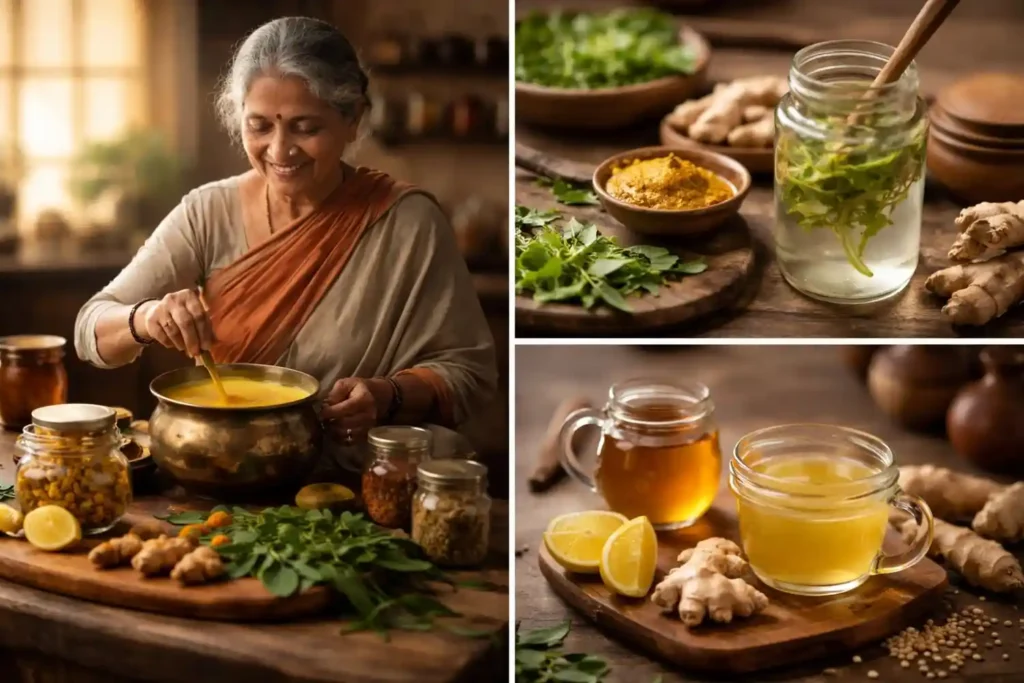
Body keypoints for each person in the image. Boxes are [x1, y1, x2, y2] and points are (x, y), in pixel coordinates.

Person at [74, 16, 497, 445]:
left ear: (353, 119)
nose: (279, 151)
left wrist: (388, 395)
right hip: (229, 465)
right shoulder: (207, 213)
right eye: (259, 126)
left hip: (359, 476)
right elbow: (91, 330)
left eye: (305, 127)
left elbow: (469, 373)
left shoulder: (409, 223)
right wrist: (145, 318)